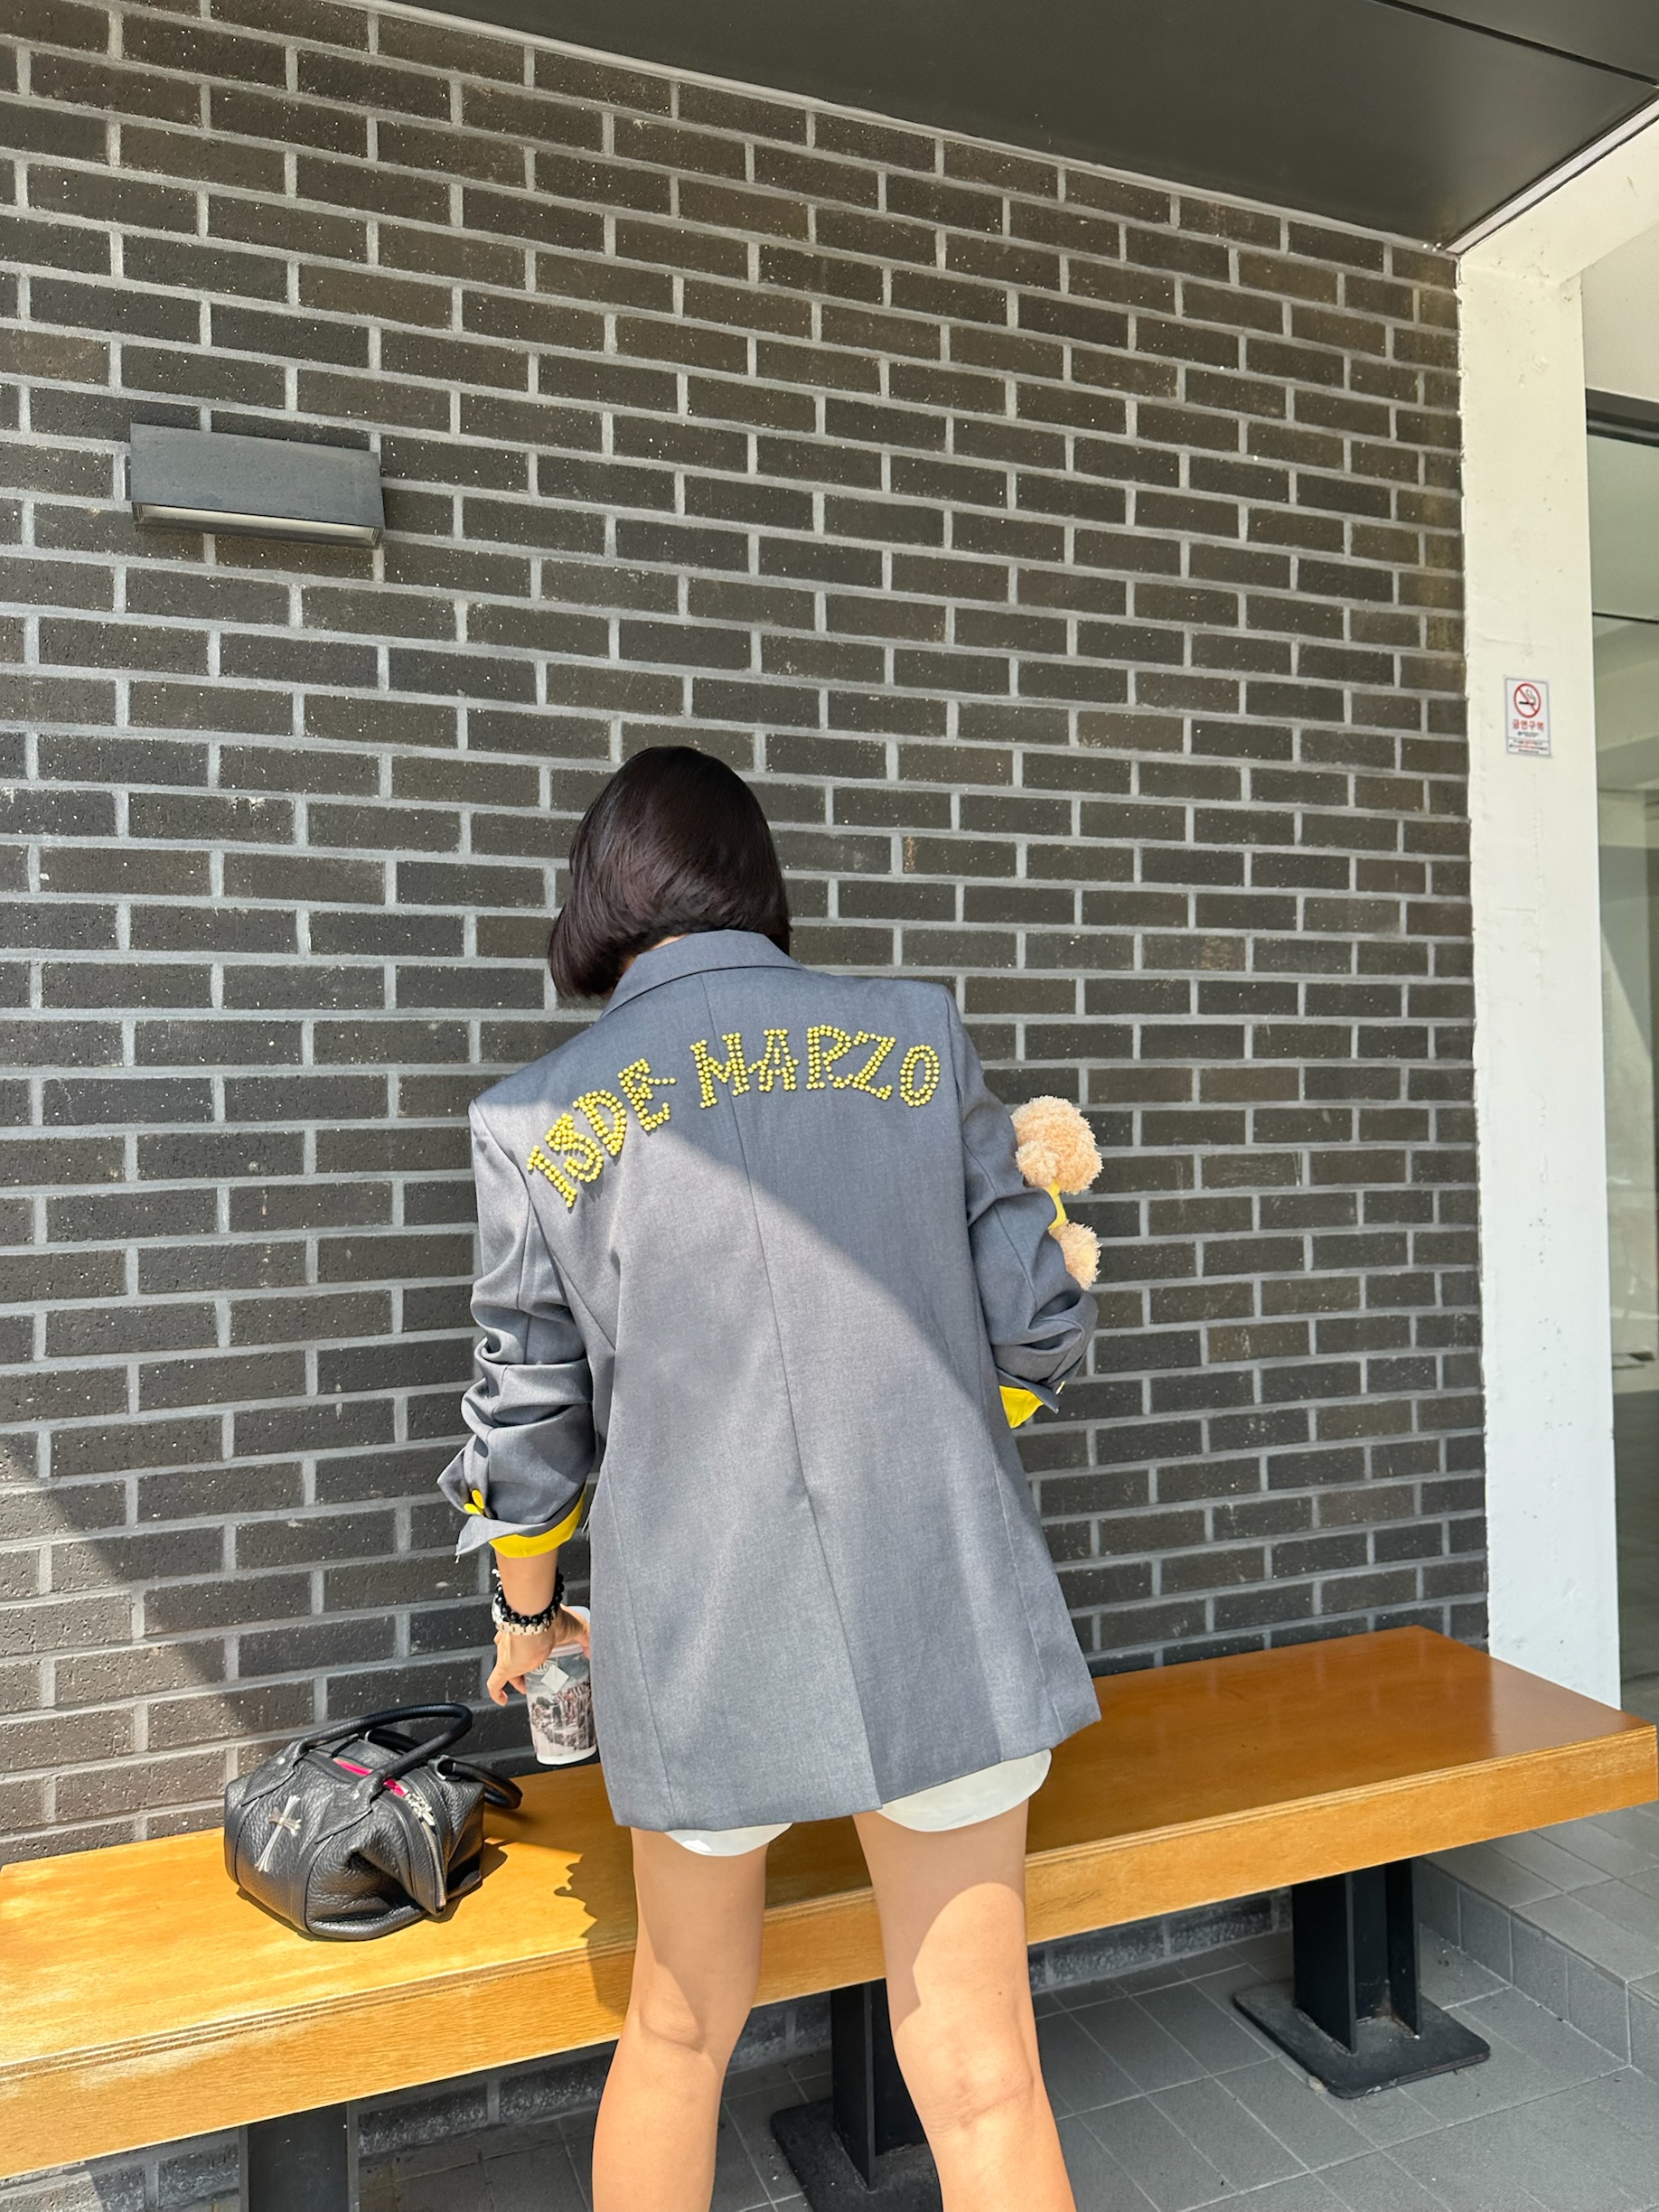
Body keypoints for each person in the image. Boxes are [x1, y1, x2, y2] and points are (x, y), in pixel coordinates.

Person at [441, 745, 1097, 2212]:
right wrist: (955, 1420)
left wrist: (531, 1619)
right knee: (984, 2069)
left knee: (678, 2034)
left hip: (701, 1618)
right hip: (938, 1589)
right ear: (756, 881)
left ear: (599, 897)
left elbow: (526, 1428)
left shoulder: (533, 1119)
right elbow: (1039, 1317)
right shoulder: (916, 1036)